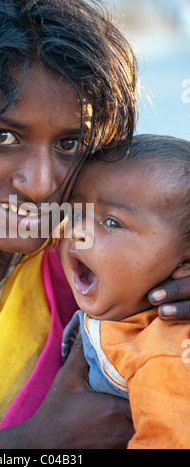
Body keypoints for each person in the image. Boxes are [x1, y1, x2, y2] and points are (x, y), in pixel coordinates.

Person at [0, 0, 188, 450]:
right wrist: (38, 441)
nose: (40, 184)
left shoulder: (109, 279)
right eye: (2, 136)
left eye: (70, 142)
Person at [61, 134, 190, 449]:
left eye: (111, 222)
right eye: (77, 213)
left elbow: (170, 439)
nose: (78, 230)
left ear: (185, 265)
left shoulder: (163, 352)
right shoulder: (121, 314)